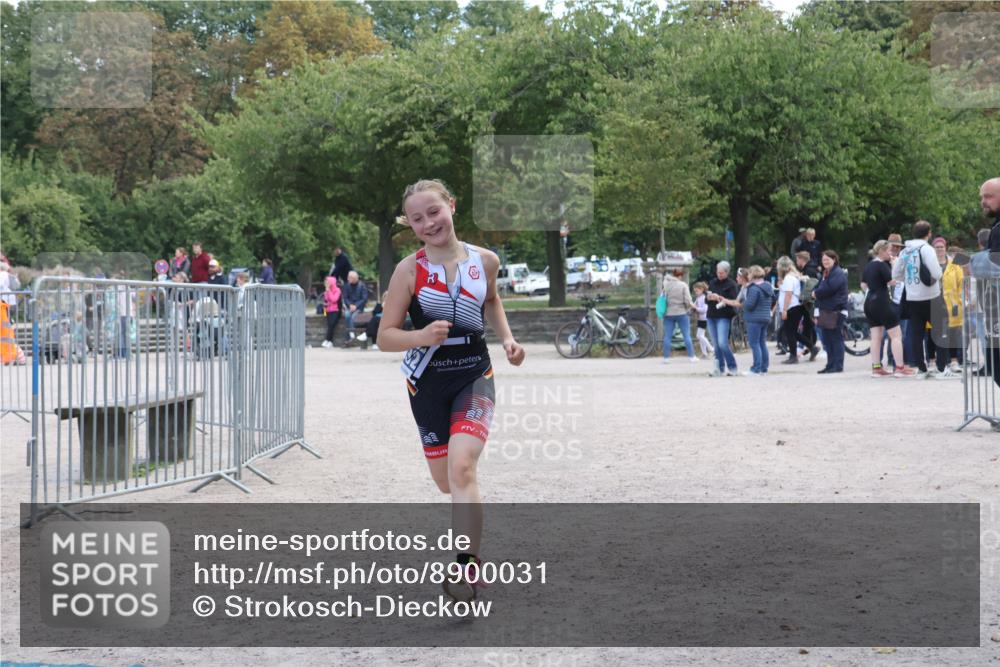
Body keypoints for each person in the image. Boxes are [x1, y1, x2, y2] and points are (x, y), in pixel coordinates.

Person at [378, 178, 524, 603]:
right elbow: (386, 336)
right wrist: (420, 335)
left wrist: (508, 340)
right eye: (417, 218)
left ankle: (466, 567)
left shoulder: (486, 260)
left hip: (474, 375)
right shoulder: (408, 271)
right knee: (445, 482)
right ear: (410, 225)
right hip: (426, 382)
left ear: (452, 207)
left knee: (463, 468)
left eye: (434, 212)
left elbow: (491, 300)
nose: (428, 223)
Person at [893, 220, 943, 376]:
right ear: (928, 233)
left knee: (916, 334)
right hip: (932, 296)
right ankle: (941, 367)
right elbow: (937, 273)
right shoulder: (927, 249)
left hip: (912, 297)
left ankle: (921, 368)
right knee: (940, 331)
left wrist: (910, 281)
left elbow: (895, 275)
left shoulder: (905, 251)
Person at [863, 241, 915, 377]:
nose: (891, 253)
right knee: (896, 335)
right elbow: (893, 281)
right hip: (882, 301)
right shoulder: (881, 265)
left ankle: (876, 368)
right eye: (889, 251)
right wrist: (894, 265)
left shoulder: (869, 265)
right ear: (881, 251)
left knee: (876, 337)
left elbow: (863, 284)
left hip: (869, 302)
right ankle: (899, 367)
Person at [775, 256, 818, 365]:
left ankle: (793, 356)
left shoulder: (789, 278)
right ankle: (812, 348)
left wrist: (784, 310)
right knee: (793, 332)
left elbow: (788, 295)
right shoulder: (795, 276)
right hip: (796, 307)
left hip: (791, 308)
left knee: (790, 333)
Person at [813, 250, 849, 374]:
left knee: (836, 338)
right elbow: (819, 287)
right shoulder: (826, 273)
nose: (825, 262)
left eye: (828, 259)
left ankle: (838, 365)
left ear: (834, 259)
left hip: (836, 310)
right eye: (823, 260)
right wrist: (816, 291)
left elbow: (829, 288)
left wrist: (816, 293)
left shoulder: (837, 273)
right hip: (827, 310)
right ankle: (830, 364)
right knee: (827, 339)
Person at [932, 238, 963, 378]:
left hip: (952, 302)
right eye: (937, 247)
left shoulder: (954, 264)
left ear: (945, 247)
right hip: (935, 302)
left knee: (953, 332)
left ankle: (954, 361)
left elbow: (960, 284)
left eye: (941, 247)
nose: (939, 249)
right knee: (933, 332)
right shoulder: (930, 263)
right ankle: (934, 361)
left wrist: (962, 300)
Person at [704, 261, 739, 376]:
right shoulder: (712, 282)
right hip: (711, 315)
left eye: (722, 273)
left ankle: (733, 367)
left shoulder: (732, 284)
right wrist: (709, 297)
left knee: (722, 343)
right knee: (716, 344)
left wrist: (719, 298)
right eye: (718, 272)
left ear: (727, 272)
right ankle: (719, 368)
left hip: (724, 316)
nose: (719, 275)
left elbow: (734, 301)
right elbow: (705, 300)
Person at [741, 265, 774, 375]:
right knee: (762, 343)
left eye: (749, 273)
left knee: (754, 343)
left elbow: (750, 305)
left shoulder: (754, 288)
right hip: (765, 317)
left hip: (754, 318)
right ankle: (764, 368)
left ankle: (756, 368)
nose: (748, 275)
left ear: (753, 274)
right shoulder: (767, 286)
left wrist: (743, 304)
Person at [660, 268, 697, 363]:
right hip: (681, 313)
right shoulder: (683, 285)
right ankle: (692, 356)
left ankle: (666, 358)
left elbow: (663, 298)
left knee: (667, 336)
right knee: (686, 335)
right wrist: (689, 307)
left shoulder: (666, 285)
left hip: (669, 313)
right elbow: (687, 300)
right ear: (680, 276)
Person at [342, 270, 369, 342]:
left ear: (354, 278)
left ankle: (351, 336)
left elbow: (364, 298)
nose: (348, 279)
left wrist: (356, 306)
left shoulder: (362, 286)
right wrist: (350, 305)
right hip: (350, 307)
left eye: (349, 278)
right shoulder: (347, 286)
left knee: (353, 317)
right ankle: (352, 335)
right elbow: (345, 298)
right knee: (347, 315)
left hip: (359, 308)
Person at [691, 282, 714, 360]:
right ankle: (704, 353)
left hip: (704, 318)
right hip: (700, 318)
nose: (696, 293)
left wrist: (696, 308)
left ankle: (711, 349)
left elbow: (704, 309)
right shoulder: (698, 298)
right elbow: (694, 305)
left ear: (701, 290)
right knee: (701, 336)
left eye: (697, 291)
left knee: (699, 336)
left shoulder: (704, 297)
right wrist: (693, 307)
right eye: (695, 291)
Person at [321, 276, 341, 349]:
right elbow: (327, 300)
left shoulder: (337, 290)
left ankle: (329, 340)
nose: (326, 283)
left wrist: (328, 291)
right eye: (325, 282)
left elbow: (334, 299)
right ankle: (328, 340)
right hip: (328, 310)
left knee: (331, 325)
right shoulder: (326, 290)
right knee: (329, 325)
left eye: (327, 282)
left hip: (335, 311)